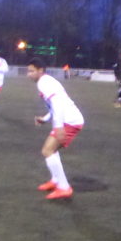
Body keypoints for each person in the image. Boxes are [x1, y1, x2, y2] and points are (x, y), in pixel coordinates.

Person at [27, 58, 85, 200]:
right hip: (68, 119)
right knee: (51, 150)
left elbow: (58, 104)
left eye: (32, 71)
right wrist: (45, 118)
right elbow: (55, 105)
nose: (29, 74)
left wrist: (58, 127)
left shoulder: (44, 83)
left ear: (40, 70)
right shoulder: (46, 81)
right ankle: (56, 180)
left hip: (69, 121)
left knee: (47, 150)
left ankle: (64, 188)